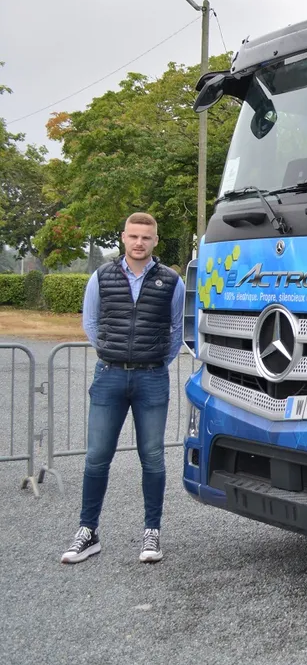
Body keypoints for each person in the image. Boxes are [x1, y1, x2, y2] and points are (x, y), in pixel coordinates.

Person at [61, 212, 185, 565]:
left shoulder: (171, 282)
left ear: (155, 241)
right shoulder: (101, 277)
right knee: (97, 457)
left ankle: (152, 533)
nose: (139, 243)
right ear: (123, 238)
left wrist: (158, 360)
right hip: (109, 376)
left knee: (153, 458)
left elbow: (177, 328)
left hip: (151, 379)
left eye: (146, 237)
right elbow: (91, 322)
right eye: (133, 236)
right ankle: (88, 532)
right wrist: (112, 350)